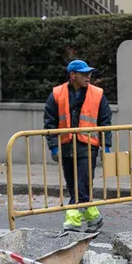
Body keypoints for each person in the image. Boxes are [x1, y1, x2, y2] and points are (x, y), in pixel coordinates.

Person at [44, 59, 112, 232]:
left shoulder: (97, 94)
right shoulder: (57, 94)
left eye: (89, 73)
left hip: (88, 145)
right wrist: (53, 146)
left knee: (82, 183)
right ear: (73, 75)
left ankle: (72, 221)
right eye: (84, 74)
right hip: (66, 145)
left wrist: (107, 146)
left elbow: (105, 122)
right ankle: (94, 218)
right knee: (73, 185)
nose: (89, 76)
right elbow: (50, 122)